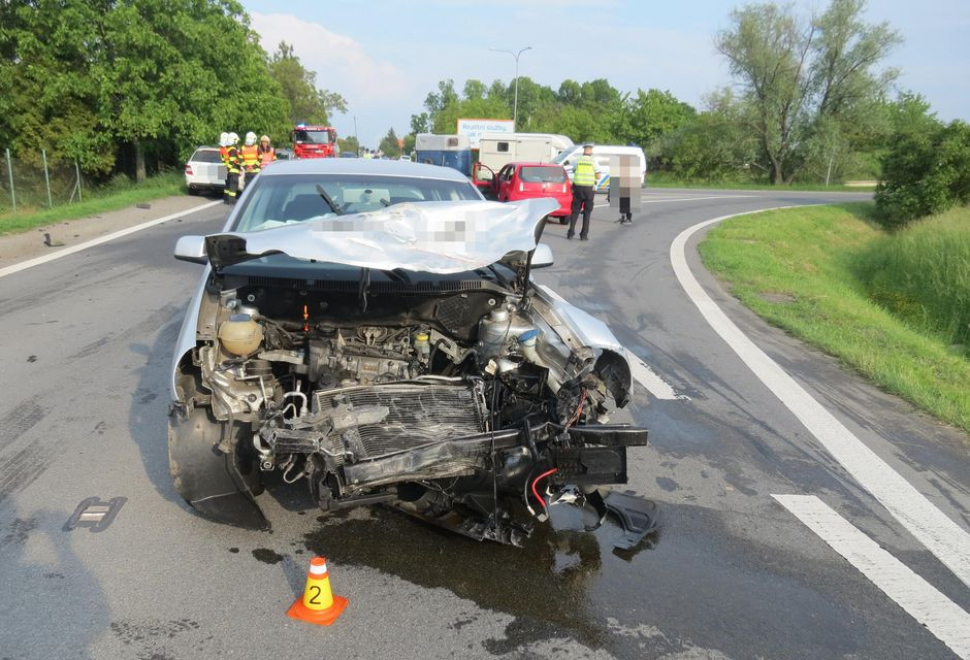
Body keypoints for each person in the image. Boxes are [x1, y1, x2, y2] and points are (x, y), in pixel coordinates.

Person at [567, 143, 600, 240]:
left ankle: (571, 233)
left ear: (584, 150)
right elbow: (598, 175)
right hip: (589, 189)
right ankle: (584, 235)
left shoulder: (577, 160)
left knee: (575, 211)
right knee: (587, 212)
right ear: (591, 151)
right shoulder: (594, 161)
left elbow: (573, 170)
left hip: (578, 188)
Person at [223, 133, 241, 204]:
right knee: (233, 187)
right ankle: (231, 202)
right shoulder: (233, 149)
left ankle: (226, 200)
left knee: (227, 186)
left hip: (224, 169)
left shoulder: (224, 148)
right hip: (232, 170)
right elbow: (232, 160)